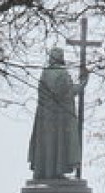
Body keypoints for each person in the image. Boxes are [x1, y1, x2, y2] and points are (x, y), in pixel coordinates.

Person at [28, 46, 82, 180]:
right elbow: (68, 93)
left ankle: (44, 171)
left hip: (44, 117)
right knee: (58, 143)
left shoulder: (44, 74)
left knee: (46, 143)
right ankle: (57, 171)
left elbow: (44, 94)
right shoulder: (62, 74)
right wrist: (82, 84)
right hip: (59, 118)